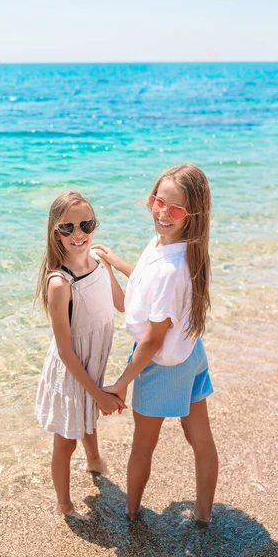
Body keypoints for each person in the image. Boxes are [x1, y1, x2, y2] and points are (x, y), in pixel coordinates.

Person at [93, 163, 218, 525]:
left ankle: (131, 515)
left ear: (191, 214)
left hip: (162, 363)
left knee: (143, 444)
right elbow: (147, 294)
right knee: (200, 439)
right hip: (190, 352)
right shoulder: (175, 247)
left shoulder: (170, 268)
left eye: (174, 208)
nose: (162, 212)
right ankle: (203, 515)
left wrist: (120, 383)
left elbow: (150, 340)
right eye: (157, 201)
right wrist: (116, 265)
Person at [35, 190, 126, 517]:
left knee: (88, 417)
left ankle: (94, 461)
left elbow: (124, 304)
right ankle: (64, 503)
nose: (79, 234)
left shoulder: (100, 264)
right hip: (71, 370)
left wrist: (119, 267)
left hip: (93, 362)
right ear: (54, 232)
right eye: (67, 228)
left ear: (94, 224)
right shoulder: (61, 283)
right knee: (66, 439)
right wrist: (99, 395)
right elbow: (65, 350)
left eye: (86, 224)